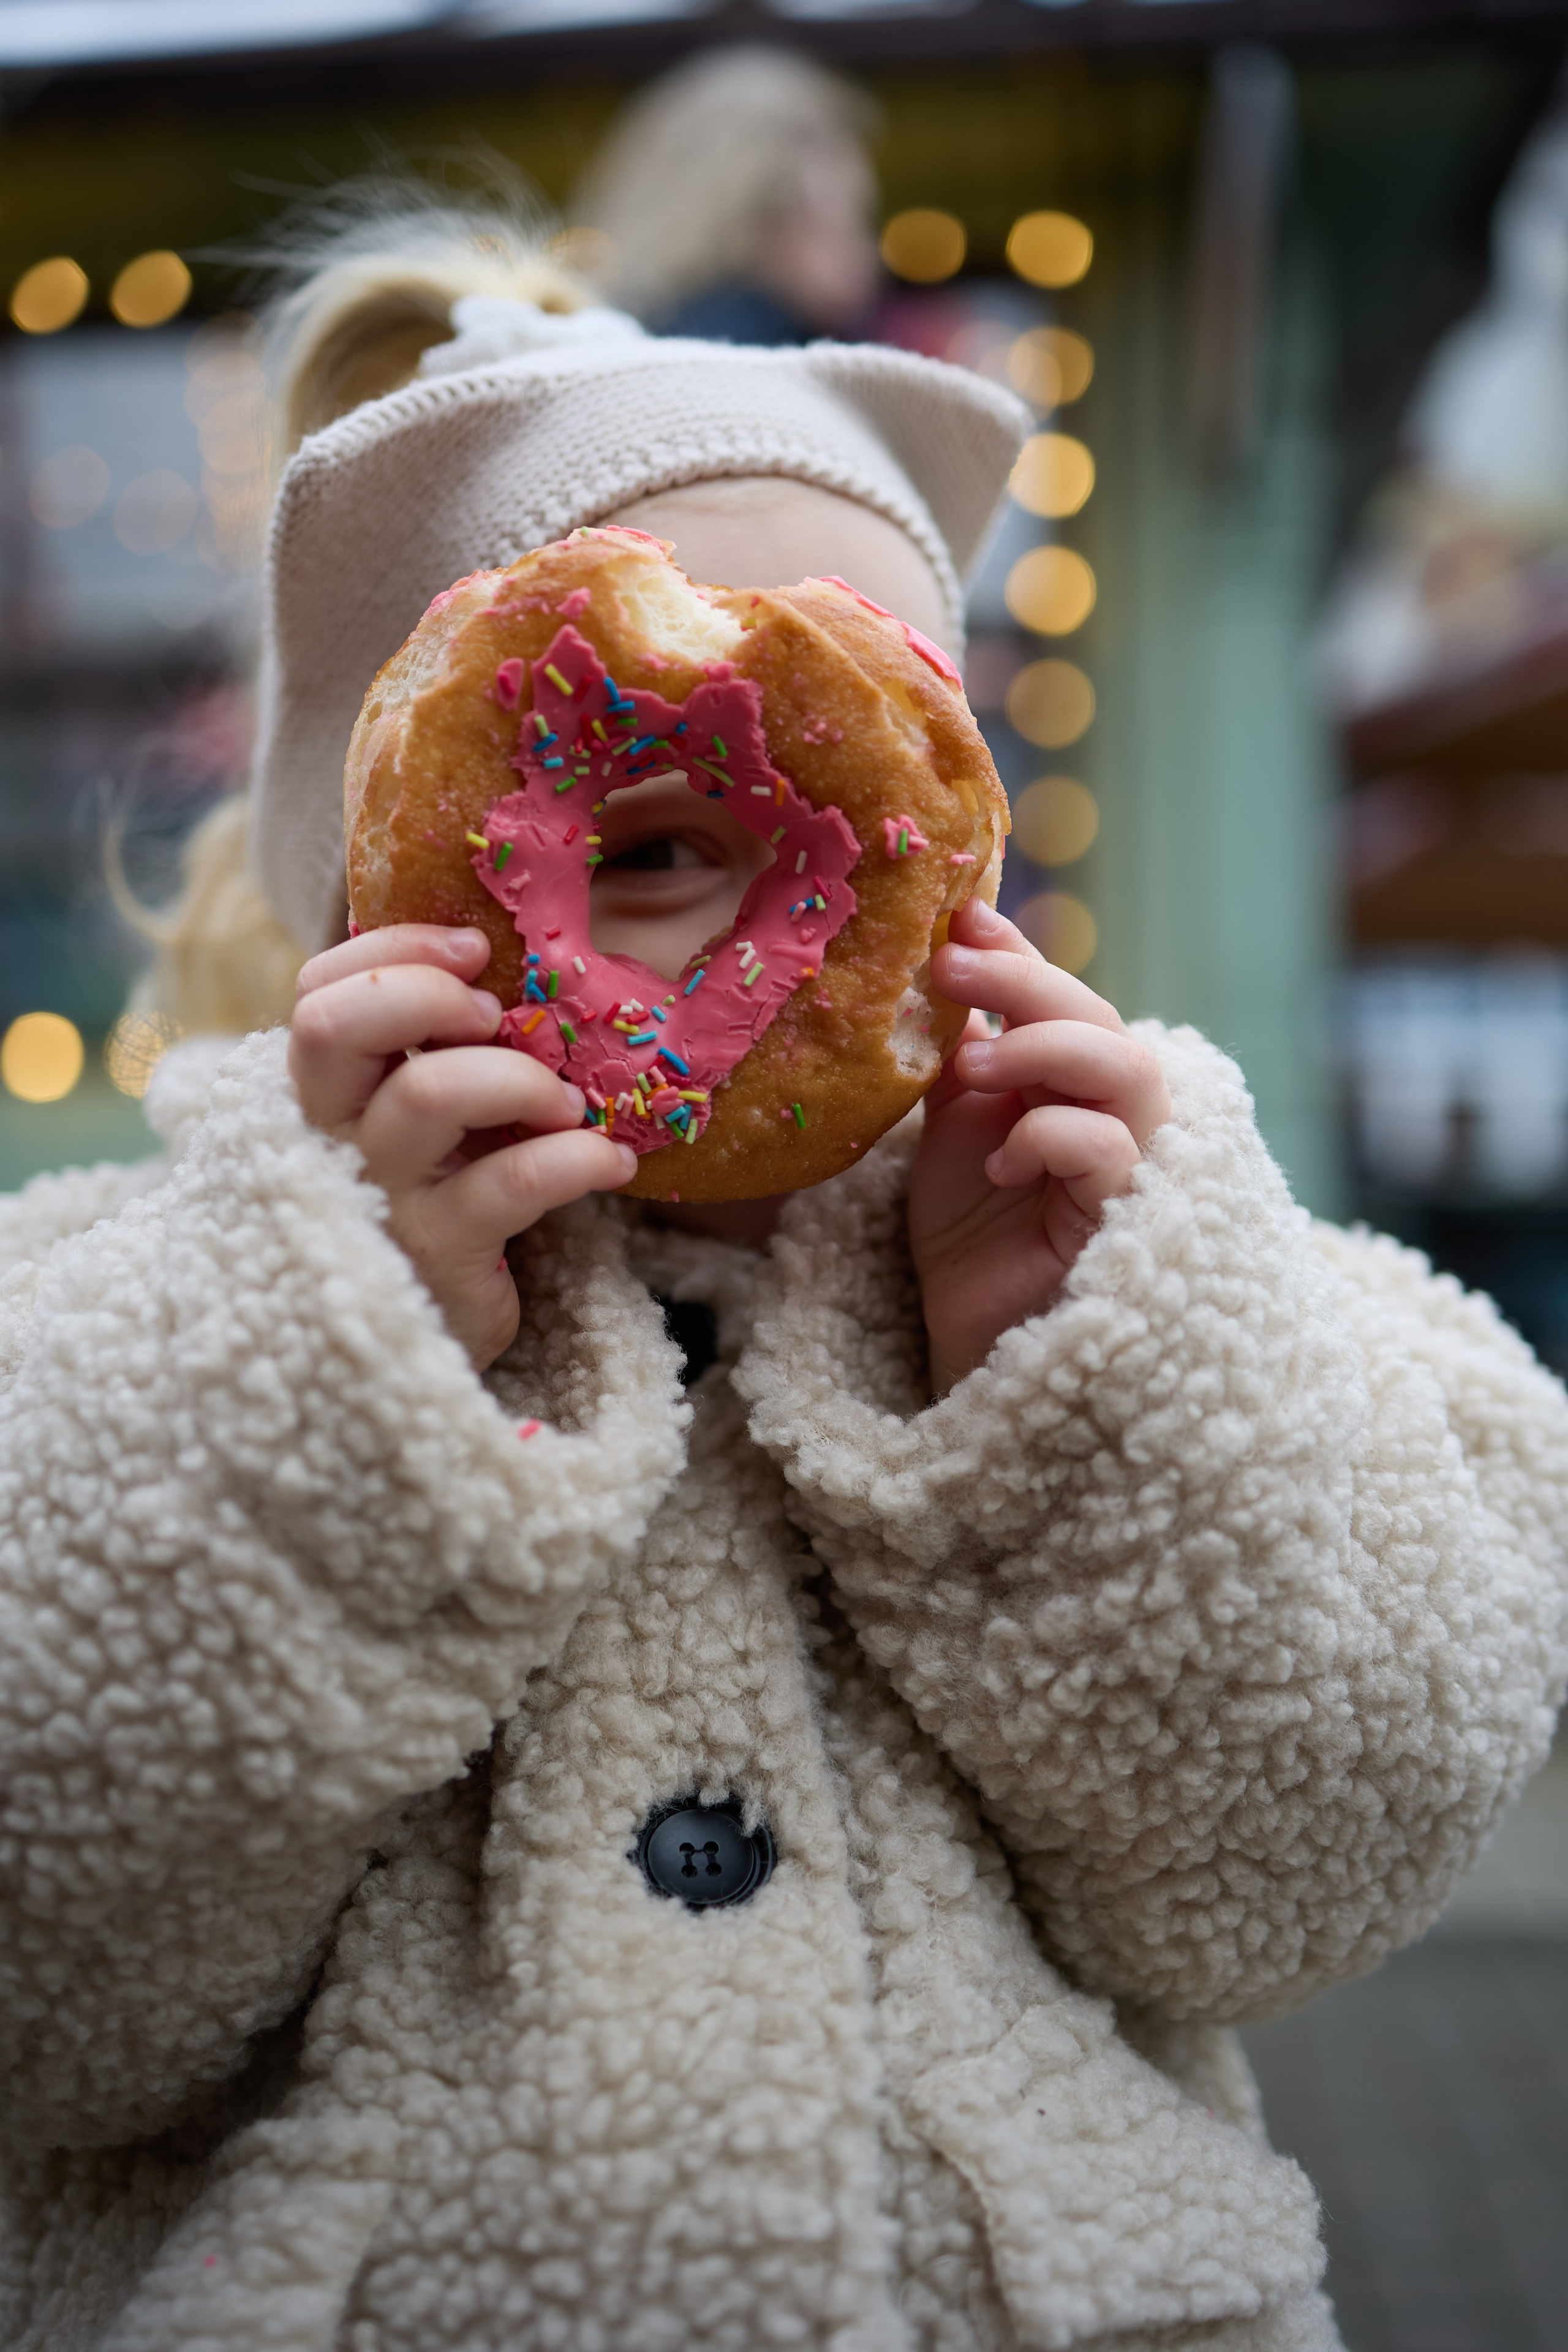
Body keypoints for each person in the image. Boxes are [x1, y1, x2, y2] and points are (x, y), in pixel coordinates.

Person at [1, 197, 1565, 2352]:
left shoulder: (1140, 1263)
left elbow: (1305, 1875)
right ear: (380, 884)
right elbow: (47, 1979)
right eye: (645, 841)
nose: (788, 921)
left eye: (869, 785)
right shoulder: (118, 1323)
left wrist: (1086, 1397)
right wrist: (332, 1370)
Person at [571, 46, 881, 345]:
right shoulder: (752, 339)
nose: (867, 255)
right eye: (849, 223)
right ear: (769, 210)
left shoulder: (626, 327)